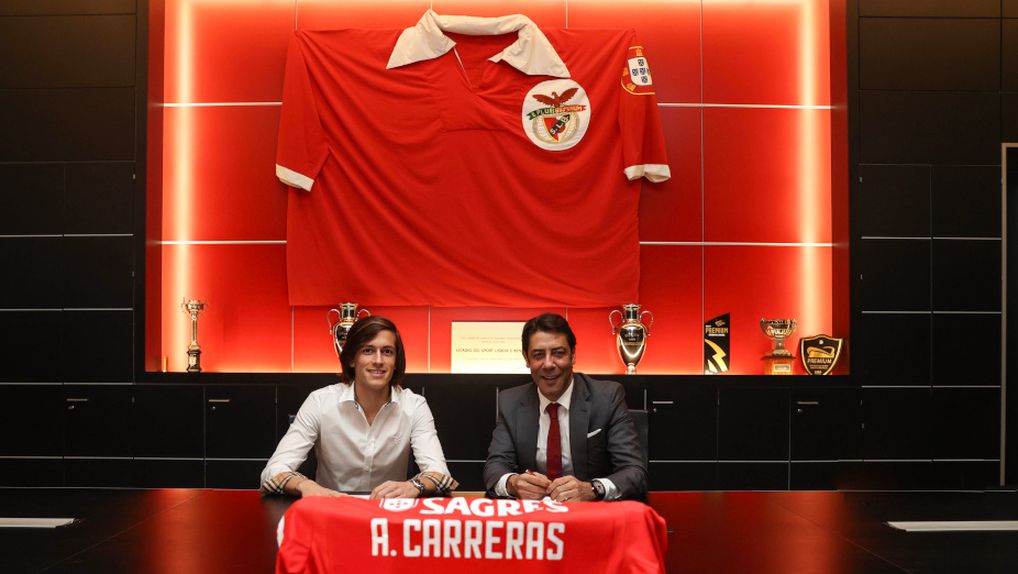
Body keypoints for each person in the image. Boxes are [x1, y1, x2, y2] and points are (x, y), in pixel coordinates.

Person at [260, 316, 456, 498]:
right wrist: (305, 485)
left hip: (386, 514)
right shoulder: (319, 402)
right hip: (331, 511)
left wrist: (414, 485)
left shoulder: (414, 406)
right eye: (368, 351)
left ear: (396, 361)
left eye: (387, 352)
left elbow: (440, 472)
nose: (378, 361)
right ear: (352, 359)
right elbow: (273, 471)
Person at [484, 313, 647, 502]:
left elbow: (634, 472)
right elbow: (495, 466)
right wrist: (513, 483)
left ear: (573, 355)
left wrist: (592, 489)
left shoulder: (607, 397)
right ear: (527, 359)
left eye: (558, 353)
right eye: (538, 355)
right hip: (535, 513)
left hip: (590, 512)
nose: (548, 364)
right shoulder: (510, 402)